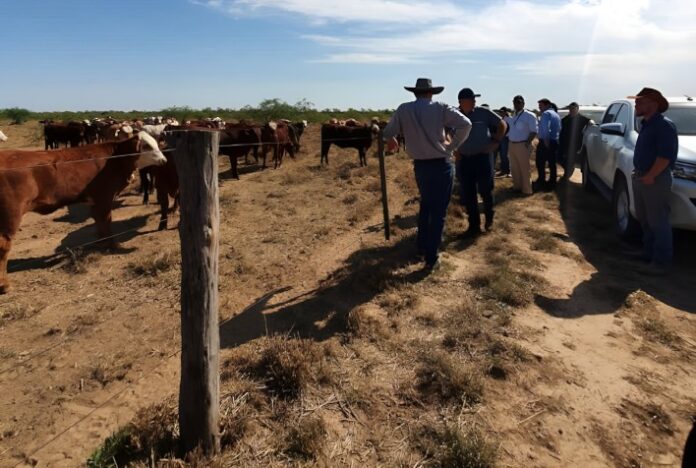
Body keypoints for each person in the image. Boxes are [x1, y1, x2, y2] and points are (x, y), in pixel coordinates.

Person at [383, 78, 472, 270]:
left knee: (426, 205)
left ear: (415, 92)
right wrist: (452, 145)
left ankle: (422, 247)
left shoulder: (403, 109)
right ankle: (432, 258)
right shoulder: (440, 107)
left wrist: (392, 141)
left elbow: (387, 132)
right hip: (441, 164)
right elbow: (466, 123)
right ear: (431, 93)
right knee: (438, 211)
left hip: (421, 167)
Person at [629, 87, 679, 273]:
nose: (636, 105)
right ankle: (648, 253)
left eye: (640, 102)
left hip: (655, 179)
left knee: (658, 220)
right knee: (645, 219)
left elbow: (664, 157)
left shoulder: (664, 125)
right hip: (643, 176)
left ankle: (661, 262)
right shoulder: (647, 124)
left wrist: (650, 176)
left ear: (654, 103)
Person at [455, 88, 507, 236]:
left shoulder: (483, 112)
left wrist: (496, 141)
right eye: (471, 99)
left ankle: (489, 218)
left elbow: (502, 124)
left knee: (486, 190)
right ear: (461, 102)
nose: (474, 101)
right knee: (469, 194)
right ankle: (474, 226)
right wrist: (453, 149)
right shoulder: (454, 115)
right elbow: (445, 131)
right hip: (464, 159)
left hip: (482, 157)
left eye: (474, 99)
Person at [506, 95, 538, 195]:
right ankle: (517, 187)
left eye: (519, 102)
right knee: (514, 167)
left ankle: (527, 190)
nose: (517, 104)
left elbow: (534, 131)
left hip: (522, 144)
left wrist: (527, 143)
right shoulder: (513, 115)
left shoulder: (529, 115)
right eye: (515, 102)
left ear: (523, 103)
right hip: (512, 145)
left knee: (524, 168)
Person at [535, 98, 561, 191]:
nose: (539, 107)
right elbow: (559, 129)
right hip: (554, 141)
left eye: (540, 105)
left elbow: (546, 129)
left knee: (540, 162)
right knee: (552, 163)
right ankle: (552, 182)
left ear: (547, 105)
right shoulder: (556, 115)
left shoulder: (546, 114)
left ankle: (541, 181)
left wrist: (546, 143)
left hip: (546, 141)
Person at [559, 102, 590, 179]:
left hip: (575, 144)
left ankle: (567, 174)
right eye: (570, 108)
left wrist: (591, 123)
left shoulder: (582, 119)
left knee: (570, 160)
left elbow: (590, 122)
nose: (571, 110)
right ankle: (568, 170)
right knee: (560, 159)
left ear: (577, 109)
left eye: (573, 108)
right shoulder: (565, 119)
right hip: (564, 143)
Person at [494, 107, 511, 177]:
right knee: (501, 155)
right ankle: (503, 170)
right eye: (500, 112)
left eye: (502, 111)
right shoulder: (500, 119)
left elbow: (510, 129)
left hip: (506, 138)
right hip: (501, 138)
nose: (500, 113)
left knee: (504, 155)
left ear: (505, 112)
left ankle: (506, 170)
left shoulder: (509, 119)